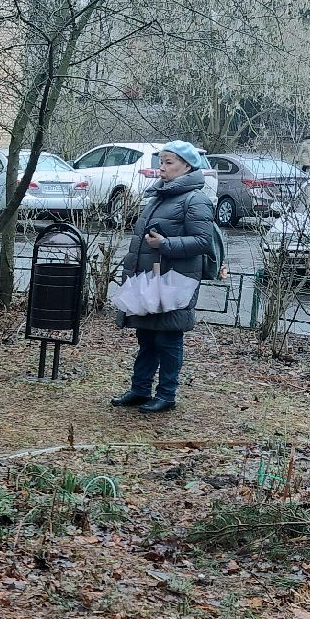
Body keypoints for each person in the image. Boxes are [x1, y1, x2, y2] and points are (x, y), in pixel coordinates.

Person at [111, 140, 218, 414]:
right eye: (161, 162)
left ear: (187, 166)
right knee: (146, 337)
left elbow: (203, 242)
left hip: (175, 281)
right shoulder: (158, 196)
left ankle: (167, 395)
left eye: (169, 163)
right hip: (151, 279)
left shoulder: (195, 199)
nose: (162, 168)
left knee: (168, 339)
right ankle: (139, 389)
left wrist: (166, 245)